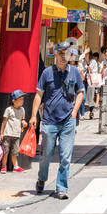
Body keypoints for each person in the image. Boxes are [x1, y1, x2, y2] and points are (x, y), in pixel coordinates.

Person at [28, 41, 85, 200]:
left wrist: (74, 111)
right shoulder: (47, 73)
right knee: (46, 154)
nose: (63, 56)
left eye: (66, 53)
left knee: (66, 157)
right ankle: (42, 178)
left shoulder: (74, 72)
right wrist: (33, 115)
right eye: (61, 53)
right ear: (55, 54)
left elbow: (80, 92)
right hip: (49, 120)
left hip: (68, 120)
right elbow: (39, 94)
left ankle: (61, 188)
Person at [0, 90, 28, 174]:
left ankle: (15, 166)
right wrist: (1, 133)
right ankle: (4, 166)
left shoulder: (22, 110)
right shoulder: (8, 110)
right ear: (13, 101)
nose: (22, 101)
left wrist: (24, 122)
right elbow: (4, 121)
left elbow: (22, 119)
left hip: (17, 134)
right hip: (7, 134)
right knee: (5, 151)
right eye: (20, 99)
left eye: (22, 99)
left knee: (15, 152)